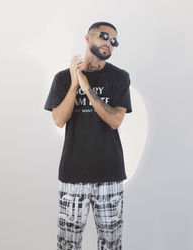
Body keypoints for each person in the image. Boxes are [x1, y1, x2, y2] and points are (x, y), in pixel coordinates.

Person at [44, 21, 132, 250]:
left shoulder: (119, 77)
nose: (109, 44)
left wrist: (87, 88)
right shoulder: (63, 79)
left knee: (111, 244)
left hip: (110, 175)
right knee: (68, 244)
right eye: (104, 36)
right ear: (87, 38)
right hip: (73, 174)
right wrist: (75, 85)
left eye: (114, 41)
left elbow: (115, 120)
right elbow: (59, 120)